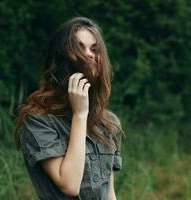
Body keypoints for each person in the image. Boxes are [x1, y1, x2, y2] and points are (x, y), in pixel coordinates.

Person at [14, 17, 125, 200]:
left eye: (94, 49)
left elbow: (109, 193)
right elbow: (69, 185)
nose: (89, 55)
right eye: (79, 48)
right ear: (61, 56)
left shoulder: (109, 123)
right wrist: (80, 115)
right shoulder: (38, 120)